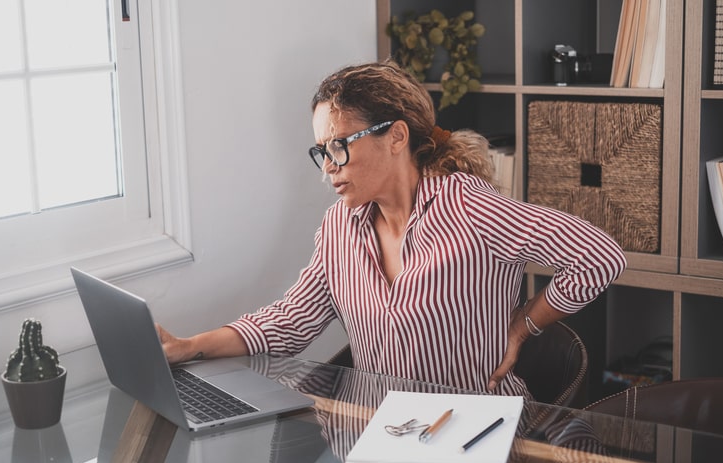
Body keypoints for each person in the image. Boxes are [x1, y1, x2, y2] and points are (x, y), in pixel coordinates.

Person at [158, 60, 626, 397]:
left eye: (339, 146)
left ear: (397, 137)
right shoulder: (340, 226)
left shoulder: (468, 207)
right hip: (378, 435)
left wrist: (524, 325)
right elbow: (290, 322)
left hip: (472, 435)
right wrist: (190, 346)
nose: (328, 168)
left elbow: (599, 256)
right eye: (322, 151)